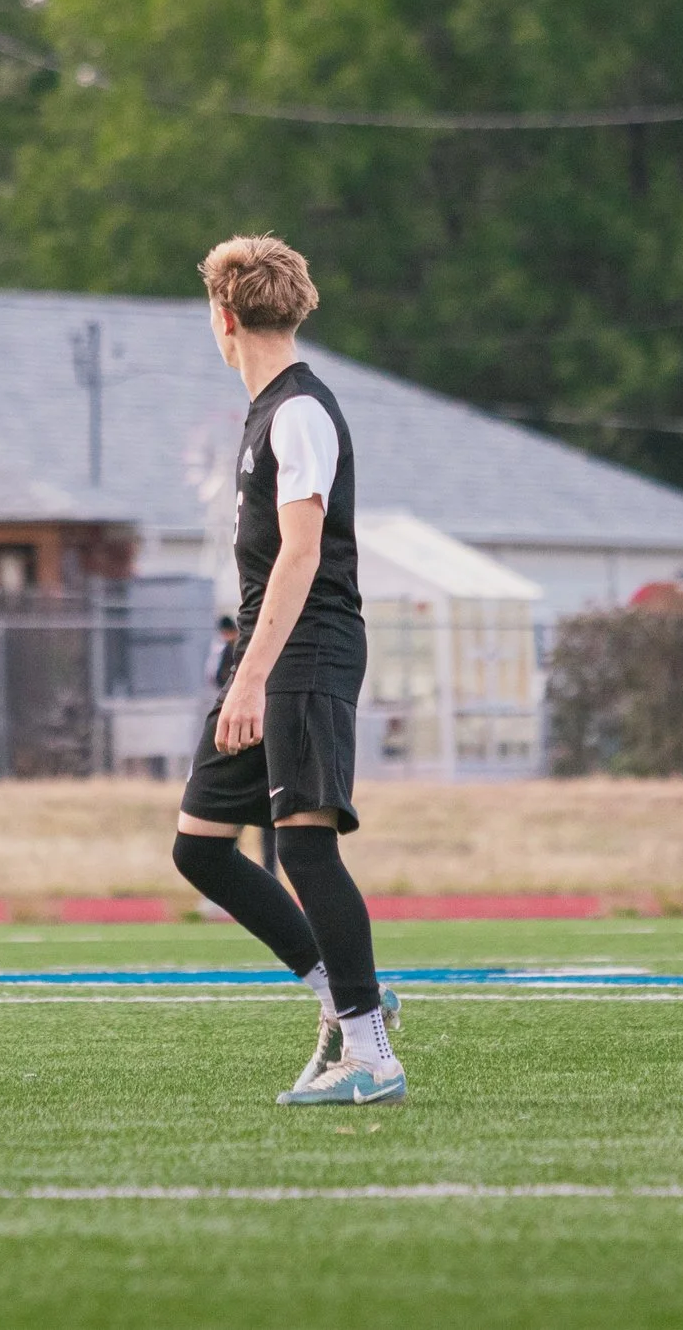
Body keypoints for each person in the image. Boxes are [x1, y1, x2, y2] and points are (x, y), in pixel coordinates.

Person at [171, 235, 403, 1105]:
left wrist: (251, 673)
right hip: (267, 651)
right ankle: (343, 1002)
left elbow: (301, 559)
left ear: (223, 319)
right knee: (200, 847)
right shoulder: (266, 410)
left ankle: (371, 1051)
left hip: (304, 650)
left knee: (303, 846)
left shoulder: (299, 411)